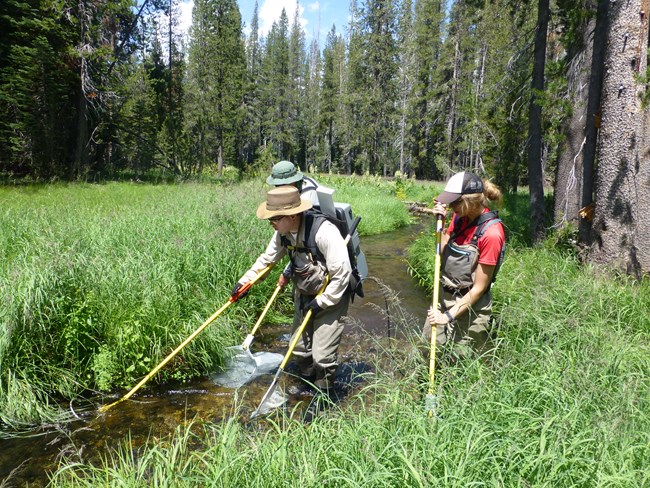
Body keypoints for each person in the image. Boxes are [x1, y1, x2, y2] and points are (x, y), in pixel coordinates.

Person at [233, 186, 352, 391]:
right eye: (270, 219)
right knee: (299, 349)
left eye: (276, 219)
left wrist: (322, 302)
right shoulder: (282, 233)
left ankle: (323, 393)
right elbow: (267, 260)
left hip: (332, 296)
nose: (272, 224)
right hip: (304, 293)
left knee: (322, 356)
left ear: (293, 215)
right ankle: (306, 383)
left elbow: (342, 275)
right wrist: (245, 283)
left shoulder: (324, 232)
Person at [423, 171, 505, 357]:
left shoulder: (491, 234)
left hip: (471, 309)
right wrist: (441, 224)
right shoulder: (459, 217)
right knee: (428, 352)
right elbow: (443, 252)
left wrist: (448, 316)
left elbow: (479, 289)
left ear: (469, 201)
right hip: (443, 298)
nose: (450, 207)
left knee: (458, 362)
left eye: (454, 202)